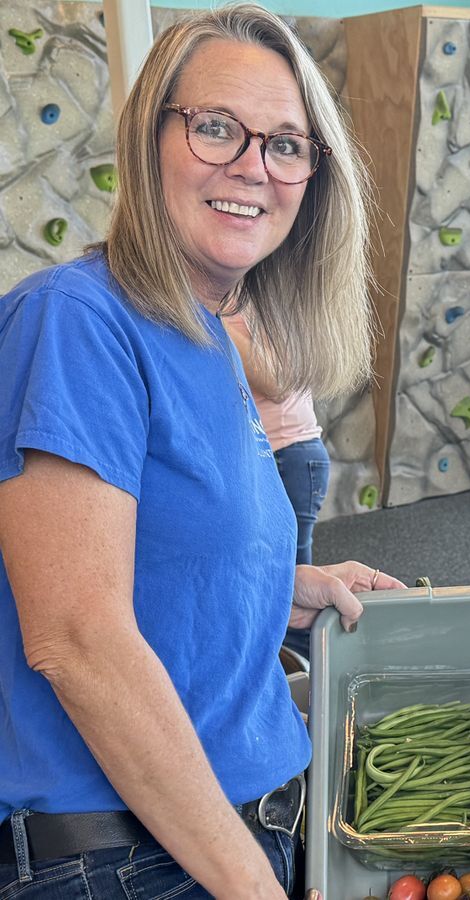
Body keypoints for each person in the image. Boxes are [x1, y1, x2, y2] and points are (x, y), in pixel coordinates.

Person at [0, 6, 402, 898]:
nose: (254, 167)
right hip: (124, 860)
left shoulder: (210, 333)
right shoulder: (76, 320)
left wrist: (275, 585)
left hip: (218, 832)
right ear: (151, 139)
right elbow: (78, 638)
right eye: (217, 128)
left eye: (288, 144)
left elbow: (144, 551)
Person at [224, 310, 330, 658]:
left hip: (290, 455)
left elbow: (277, 382)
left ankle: (303, 690)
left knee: (289, 587)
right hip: (264, 454)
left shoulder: (264, 300)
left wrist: (208, 317)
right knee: (264, 576)